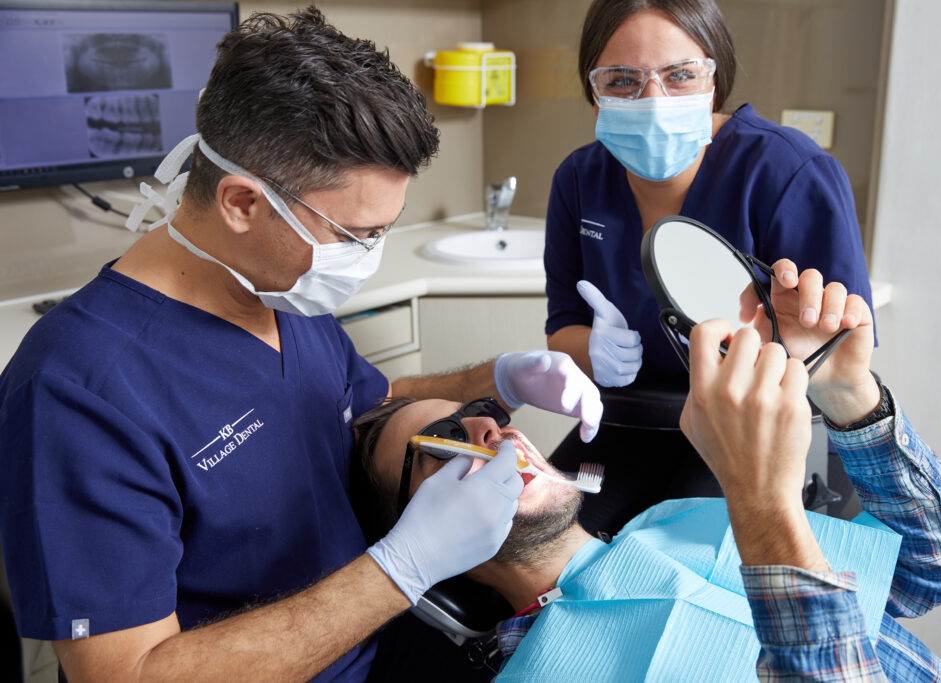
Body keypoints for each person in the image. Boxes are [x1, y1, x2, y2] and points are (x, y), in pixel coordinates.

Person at [0, 8, 603, 682]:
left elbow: (361, 401)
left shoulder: (280, 290)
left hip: (378, 641)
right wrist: (400, 567)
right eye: (354, 235)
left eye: (383, 231)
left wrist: (500, 379)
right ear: (242, 203)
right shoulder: (78, 388)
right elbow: (127, 674)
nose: (366, 256)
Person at [354, 262, 941, 680]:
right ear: (415, 536)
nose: (490, 429)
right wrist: (764, 507)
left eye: (481, 411)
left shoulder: (675, 521)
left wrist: (850, 397)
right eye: (441, 442)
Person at [543, 0, 876, 535]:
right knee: (540, 538)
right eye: (623, 80)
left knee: (665, 565)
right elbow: (561, 329)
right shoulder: (580, 180)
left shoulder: (789, 172)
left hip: (754, 425)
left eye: (680, 76)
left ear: (714, 77)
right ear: (594, 90)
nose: (654, 100)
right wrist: (594, 352)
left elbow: (836, 356)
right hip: (628, 418)